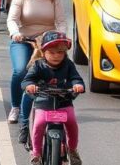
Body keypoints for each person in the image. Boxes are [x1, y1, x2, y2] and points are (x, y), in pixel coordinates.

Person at [8, 0, 68, 136]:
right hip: (24, 41)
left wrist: (61, 36)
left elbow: (62, 22)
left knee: (55, 76)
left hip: (47, 43)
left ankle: (56, 108)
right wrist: (15, 33)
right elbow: (11, 20)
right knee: (20, 72)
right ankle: (16, 107)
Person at [22, 31, 85, 165]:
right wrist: (30, 85)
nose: (56, 56)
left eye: (60, 53)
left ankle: (73, 150)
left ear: (65, 53)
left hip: (64, 102)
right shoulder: (38, 65)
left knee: (72, 123)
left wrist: (78, 85)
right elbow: (27, 80)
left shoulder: (68, 64)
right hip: (43, 102)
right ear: (43, 52)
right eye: (52, 52)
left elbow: (76, 78)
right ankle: (36, 155)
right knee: (38, 125)